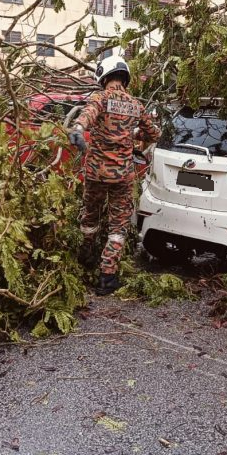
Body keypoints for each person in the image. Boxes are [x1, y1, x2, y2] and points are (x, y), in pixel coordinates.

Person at [68, 54, 159, 295]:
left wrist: (78, 129)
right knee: (118, 228)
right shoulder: (136, 105)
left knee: (89, 218)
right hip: (122, 176)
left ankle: (85, 260)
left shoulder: (101, 98)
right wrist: (134, 136)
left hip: (96, 173)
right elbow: (153, 134)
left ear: (103, 76)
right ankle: (107, 278)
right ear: (125, 77)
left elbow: (88, 114)